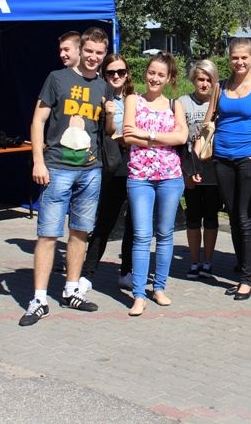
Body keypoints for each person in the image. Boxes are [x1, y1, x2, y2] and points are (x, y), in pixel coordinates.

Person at [19, 27, 110, 326]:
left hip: (90, 170)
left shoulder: (103, 86)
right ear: (81, 50)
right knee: (48, 234)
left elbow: (106, 130)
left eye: (99, 53)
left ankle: (72, 290)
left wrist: (111, 113)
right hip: (57, 167)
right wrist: (38, 161)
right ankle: (39, 299)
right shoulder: (57, 78)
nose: (93, 57)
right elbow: (38, 121)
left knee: (80, 232)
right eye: (89, 51)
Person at [122, 53, 188, 316]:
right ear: (145, 73)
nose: (155, 78)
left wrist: (146, 134)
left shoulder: (175, 104)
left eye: (161, 75)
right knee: (141, 235)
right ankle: (139, 295)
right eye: (152, 72)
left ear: (169, 78)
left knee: (165, 233)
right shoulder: (132, 100)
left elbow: (181, 137)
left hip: (170, 176)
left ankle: (159, 287)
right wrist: (163, 138)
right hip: (140, 177)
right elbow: (128, 135)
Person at [214, 38, 251, 301]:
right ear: (229, 58)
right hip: (222, 158)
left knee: (245, 217)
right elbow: (211, 121)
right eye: (235, 57)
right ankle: (243, 269)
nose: (239, 62)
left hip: (249, 158)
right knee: (233, 217)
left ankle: (247, 279)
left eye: (244, 57)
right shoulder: (221, 86)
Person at [81, 54, 134, 289]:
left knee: (133, 224)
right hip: (111, 166)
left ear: (127, 73)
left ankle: (127, 271)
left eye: (120, 72)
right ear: (104, 74)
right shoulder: (99, 98)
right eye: (111, 72)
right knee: (105, 222)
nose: (116, 76)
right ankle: (87, 274)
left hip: (134, 165)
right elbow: (103, 131)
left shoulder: (134, 99)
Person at [179, 60, 222, 280]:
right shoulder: (183, 102)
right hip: (191, 168)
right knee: (193, 218)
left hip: (214, 170)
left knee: (212, 217)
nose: (204, 84)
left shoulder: (221, 103)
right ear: (193, 80)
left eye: (209, 80)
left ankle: (208, 261)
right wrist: (186, 171)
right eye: (200, 79)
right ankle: (194, 261)